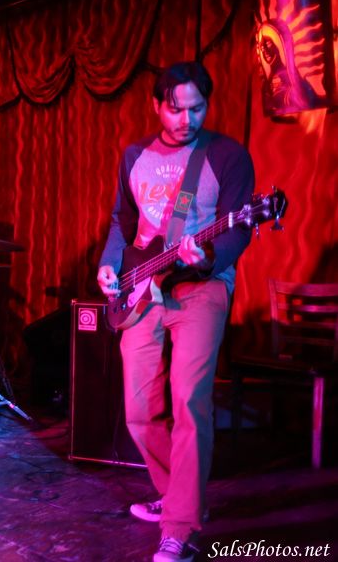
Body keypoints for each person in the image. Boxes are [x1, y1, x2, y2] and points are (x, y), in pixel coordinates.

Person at [97, 61, 254, 562]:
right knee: (138, 410)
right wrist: (108, 264)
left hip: (201, 289)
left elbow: (239, 227)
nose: (187, 119)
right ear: (156, 105)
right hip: (143, 287)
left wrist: (206, 257)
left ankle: (180, 528)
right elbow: (122, 222)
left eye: (197, 108)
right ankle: (178, 497)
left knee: (189, 402)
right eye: (176, 109)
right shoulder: (134, 155)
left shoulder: (227, 155)